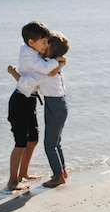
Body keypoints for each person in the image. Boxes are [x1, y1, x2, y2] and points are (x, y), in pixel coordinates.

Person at [8, 31, 70, 188]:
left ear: (49, 49)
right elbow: (57, 60)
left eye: (45, 44)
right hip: (60, 104)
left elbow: (25, 83)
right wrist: (60, 61)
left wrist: (12, 71)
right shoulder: (52, 64)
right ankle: (62, 171)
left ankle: (58, 176)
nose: (42, 48)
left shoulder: (46, 69)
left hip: (54, 105)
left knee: (49, 144)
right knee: (56, 142)